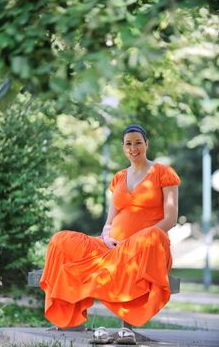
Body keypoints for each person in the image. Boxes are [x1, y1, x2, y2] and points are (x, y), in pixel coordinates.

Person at [40, 124, 180, 344]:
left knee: (153, 236)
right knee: (60, 240)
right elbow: (109, 222)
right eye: (128, 144)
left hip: (145, 248)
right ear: (123, 147)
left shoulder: (164, 172)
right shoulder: (118, 177)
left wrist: (133, 241)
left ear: (146, 144)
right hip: (111, 249)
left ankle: (127, 325)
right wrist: (106, 237)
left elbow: (170, 219)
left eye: (138, 143)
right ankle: (66, 317)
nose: (133, 148)